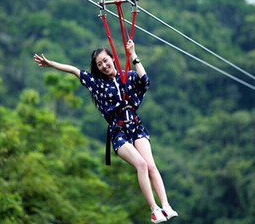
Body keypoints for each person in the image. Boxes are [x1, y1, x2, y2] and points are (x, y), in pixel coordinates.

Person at [34, 39, 177, 223]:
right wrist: (51, 64)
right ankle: (154, 209)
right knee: (140, 165)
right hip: (119, 133)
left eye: (105, 60)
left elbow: (145, 81)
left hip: (135, 125)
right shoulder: (97, 84)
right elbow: (74, 70)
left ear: (112, 58)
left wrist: (133, 54)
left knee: (151, 166)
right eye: (99, 64)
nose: (103, 65)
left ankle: (165, 205)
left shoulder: (128, 76)